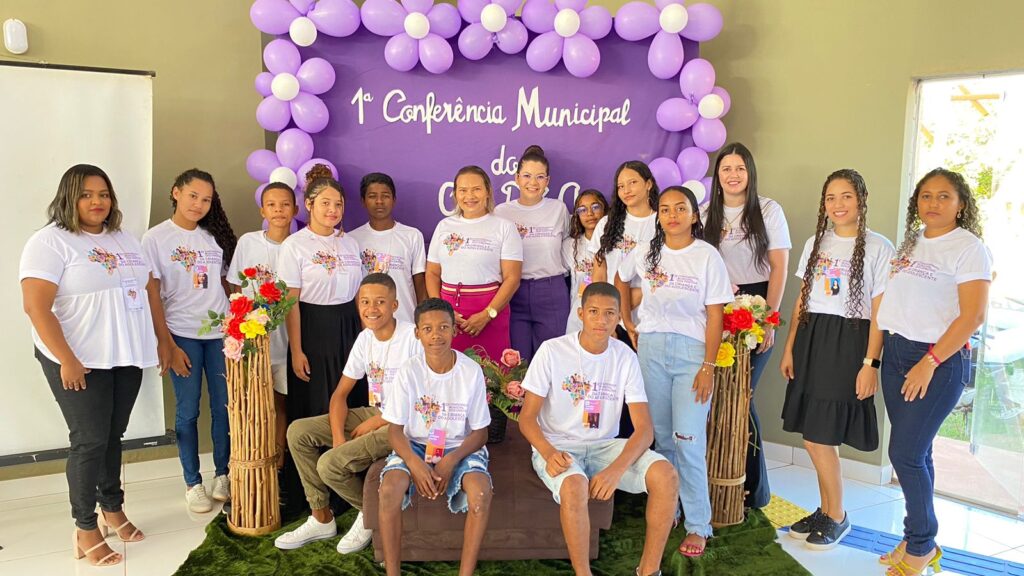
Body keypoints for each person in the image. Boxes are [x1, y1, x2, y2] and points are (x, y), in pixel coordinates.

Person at [20, 165, 168, 567]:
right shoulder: (50, 242)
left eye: (103, 194)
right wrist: (68, 359)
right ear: (68, 197)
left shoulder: (123, 238)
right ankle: (85, 527)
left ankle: (112, 508)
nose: (97, 201)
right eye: (86, 194)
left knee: (112, 435)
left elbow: (148, 289)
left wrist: (163, 341)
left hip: (124, 355)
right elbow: (36, 306)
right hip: (77, 358)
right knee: (89, 440)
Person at [518, 282, 678, 576]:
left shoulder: (625, 356)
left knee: (666, 475)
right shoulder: (552, 351)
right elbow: (527, 418)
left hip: (605, 445)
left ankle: (648, 570)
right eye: (593, 311)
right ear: (581, 314)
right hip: (559, 444)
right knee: (575, 485)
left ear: (619, 317)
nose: (601, 320)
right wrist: (549, 453)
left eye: (609, 313)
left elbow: (644, 430)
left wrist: (616, 470)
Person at [876, 168, 991, 576]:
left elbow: (972, 315)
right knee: (918, 452)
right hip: (896, 352)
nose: (933, 203)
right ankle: (916, 536)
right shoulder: (912, 241)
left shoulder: (968, 247)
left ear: (961, 204)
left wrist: (930, 362)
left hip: (937, 360)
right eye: (926, 195)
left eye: (944, 196)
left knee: (904, 454)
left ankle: (922, 545)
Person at [779, 169, 894, 550]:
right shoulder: (816, 242)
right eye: (831, 197)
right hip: (812, 338)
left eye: (846, 196)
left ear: (861, 200)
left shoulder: (879, 248)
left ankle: (838, 516)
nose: (838, 204)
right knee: (814, 436)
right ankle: (826, 510)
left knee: (821, 435)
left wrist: (870, 363)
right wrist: (790, 345)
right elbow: (803, 298)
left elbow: (880, 314)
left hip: (849, 342)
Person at [617, 186, 733, 558]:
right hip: (650, 349)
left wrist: (708, 366)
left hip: (692, 355)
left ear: (694, 215)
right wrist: (627, 321)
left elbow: (715, 314)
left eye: (680, 208)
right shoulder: (646, 251)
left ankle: (698, 524)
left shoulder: (706, 256)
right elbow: (621, 279)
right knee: (662, 439)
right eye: (665, 209)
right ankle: (670, 508)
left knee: (688, 440)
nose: (672, 215)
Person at [275, 274, 420, 554]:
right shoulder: (365, 339)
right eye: (365, 302)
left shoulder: (411, 337)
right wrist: (338, 437)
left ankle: (369, 515)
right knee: (298, 432)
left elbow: (421, 396)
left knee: (329, 464)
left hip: (404, 424)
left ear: (394, 305)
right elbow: (340, 395)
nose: (371, 309)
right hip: (375, 412)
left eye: (380, 302)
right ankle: (321, 517)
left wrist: (378, 421)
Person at [702, 142, 791, 508]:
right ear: (717, 175)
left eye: (740, 168)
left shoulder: (768, 210)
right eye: (726, 168)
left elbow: (780, 267)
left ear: (750, 173)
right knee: (718, 396)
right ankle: (719, 476)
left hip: (756, 306)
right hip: (716, 305)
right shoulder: (705, 212)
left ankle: (754, 487)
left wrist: (769, 319)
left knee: (742, 394)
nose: (733, 175)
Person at [143, 168, 237, 513]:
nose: (199, 204)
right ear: (176, 192)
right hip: (182, 335)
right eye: (193, 196)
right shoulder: (155, 239)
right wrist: (166, 343)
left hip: (220, 336)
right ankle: (192, 482)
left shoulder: (214, 237)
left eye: (206, 199)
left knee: (224, 407)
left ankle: (223, 474)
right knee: (188, 411)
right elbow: (152, 294)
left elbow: (226, 285)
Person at [378, 298, 492, 576]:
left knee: (480, 493)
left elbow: (480, 432)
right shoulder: (409, 371)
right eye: (427, 329)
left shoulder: (470, 371)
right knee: (389, 490)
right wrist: (414, 463)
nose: (436, 335)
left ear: (454, 330)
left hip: (460, 446)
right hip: (416, 445)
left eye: (443, 327)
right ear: (417, 333)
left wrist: (451, 460)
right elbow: (394, 430)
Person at [278, 164, 365, 419]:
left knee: (351, 397)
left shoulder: (350, 243)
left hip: (349, 326)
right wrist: (297, 350)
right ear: (309, 204)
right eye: (325, 203)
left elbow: (359, 293)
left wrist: (365, 337)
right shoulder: (294, 245)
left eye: (338, 204)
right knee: (318, 400)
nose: (332, 210)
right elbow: (290, 302)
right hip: (312, 328)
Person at [226, 182, 297, 467]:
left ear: (296, 209)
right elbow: (235, 288)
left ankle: (278, 463)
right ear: (262, 210)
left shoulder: (300, 245)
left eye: (285, 204)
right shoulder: (248, 243)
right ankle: (253, 460)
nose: (278, 210)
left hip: (287, 341)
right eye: (271, 205)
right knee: (253, 402)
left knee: (282, 402)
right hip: (253, 341)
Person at [425, 166, 522, 361]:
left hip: (490, 313)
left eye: (476, 189)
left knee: (493, 373)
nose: (469, 196)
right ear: (455, 194)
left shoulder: (504, 227)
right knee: (450, 369)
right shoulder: (444, 226)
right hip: (450, 316)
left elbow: (512, 278)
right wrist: (443, 311)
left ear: (488, 191)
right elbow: (432, 273)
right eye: (463, 190)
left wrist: (487, 315)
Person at [494, 145, 571, 359]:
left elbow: (569, 246)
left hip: (552, 291)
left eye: (540, 177)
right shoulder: (501, 212)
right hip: (513, 292)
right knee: (516, 361)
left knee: (552, 358)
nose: (533, 182)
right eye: (527, 176)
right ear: (517, 178)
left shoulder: (558, 209)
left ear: (547, 181)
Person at [590, 161, 659, 349]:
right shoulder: (606, 224)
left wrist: (633, 299)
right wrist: (605, 317)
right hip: (612, 321)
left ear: (648, 184)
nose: (626, 190)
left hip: (651, 318)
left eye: (633, 183)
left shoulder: (662, 222)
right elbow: (599, 275)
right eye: (621, 186)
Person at [349, 172, 427, 324]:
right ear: (363, 201)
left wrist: (422, 321)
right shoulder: (351, 240)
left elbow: (420, 286)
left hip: (406, 322)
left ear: (394, 200)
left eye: (385, 196)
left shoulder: (412, 235)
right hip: (368, 324)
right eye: (372, 196)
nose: (379, 201)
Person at [562, 189, 608, 335]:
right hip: (579, 316)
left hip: (609, 314)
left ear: (605, 209)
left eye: (595, 207)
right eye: (582, 210)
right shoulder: (569, 246)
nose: (589, 213)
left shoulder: (616, 244)